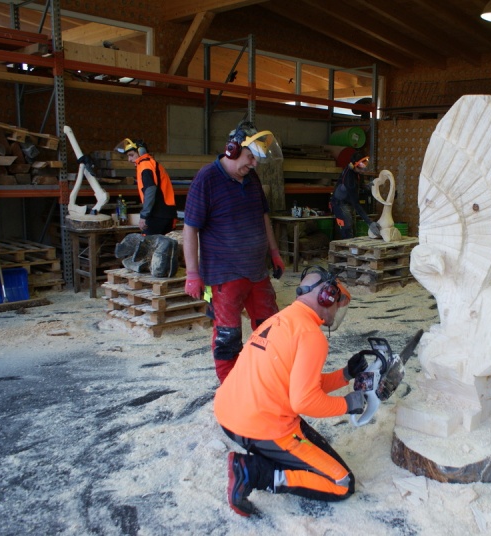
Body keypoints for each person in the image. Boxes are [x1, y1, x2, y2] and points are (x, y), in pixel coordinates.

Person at [213, 266, 369, 517]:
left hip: (229, 415)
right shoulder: (311, 335)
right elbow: (305, 401)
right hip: (261, 427)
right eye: (336, 304)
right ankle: (254, 472)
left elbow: (299, 382)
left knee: (316, 451)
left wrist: (345, 375)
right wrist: (347, 405)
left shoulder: (281, 319)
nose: (336, 311)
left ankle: (264, 461)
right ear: (326, 297)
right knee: (341, 483)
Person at [182, 122, 286, 383]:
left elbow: (263, 217)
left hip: (256, 271)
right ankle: (230, 388)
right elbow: (190, 228)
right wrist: (193, 274)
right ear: (232, 149)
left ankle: (266, 378)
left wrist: (274, 252)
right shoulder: (206, 179)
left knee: (270, 328)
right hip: (224, 276)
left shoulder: (251, 178)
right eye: (250, 157)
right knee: (228, 336)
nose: (254, 164)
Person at [114, 138, 178, 236]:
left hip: (157, 214)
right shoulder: (152, 163)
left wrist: (144, 216)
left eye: (131, 155)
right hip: (167, 213)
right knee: (165, 244)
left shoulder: (145, 166)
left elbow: (150, 190)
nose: (129, 160)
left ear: (141, 152)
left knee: (148, 243)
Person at [330, 151, 381, 239]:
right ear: (353, 165)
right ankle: (347, 245)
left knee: (352, 227)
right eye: (361, 165)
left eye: (365, 164)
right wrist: (369, 223)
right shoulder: (349, 180)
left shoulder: (357, 172)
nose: (363, 168)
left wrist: (366, 186)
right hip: (340, 203)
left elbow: (359, 183)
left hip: (348, 201)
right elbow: (356, 204)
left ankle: (351, 245)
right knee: (347, 227)